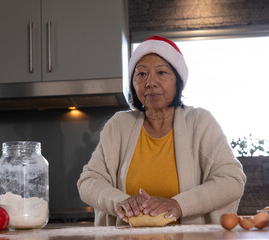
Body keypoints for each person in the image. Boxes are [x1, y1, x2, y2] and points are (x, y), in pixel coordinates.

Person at [77, 36, 246, 226]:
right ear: (133, 83)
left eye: (162, 72)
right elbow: (88, 182)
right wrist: (121, 203)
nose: (150, 82)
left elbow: (232, 180)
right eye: (141, 74)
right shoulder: (118, 126)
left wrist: (178, 204)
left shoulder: (200, 122)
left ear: (178, 81)